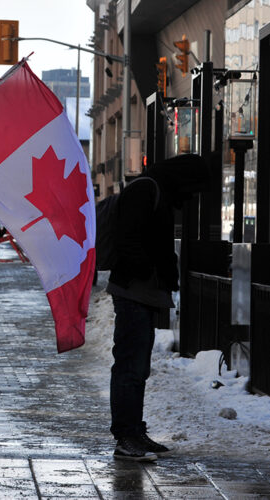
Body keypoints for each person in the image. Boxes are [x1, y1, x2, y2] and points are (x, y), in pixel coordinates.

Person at [107, 154, 209, 462]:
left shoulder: (157, 190)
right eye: (192, 187)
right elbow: (129, 238)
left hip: (145, 290)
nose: (191, 196)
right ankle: (126, 437)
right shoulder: (145, 189)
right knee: (130, 366)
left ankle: (134, 431)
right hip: (135, 289)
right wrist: (150, 269)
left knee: (138, 367)